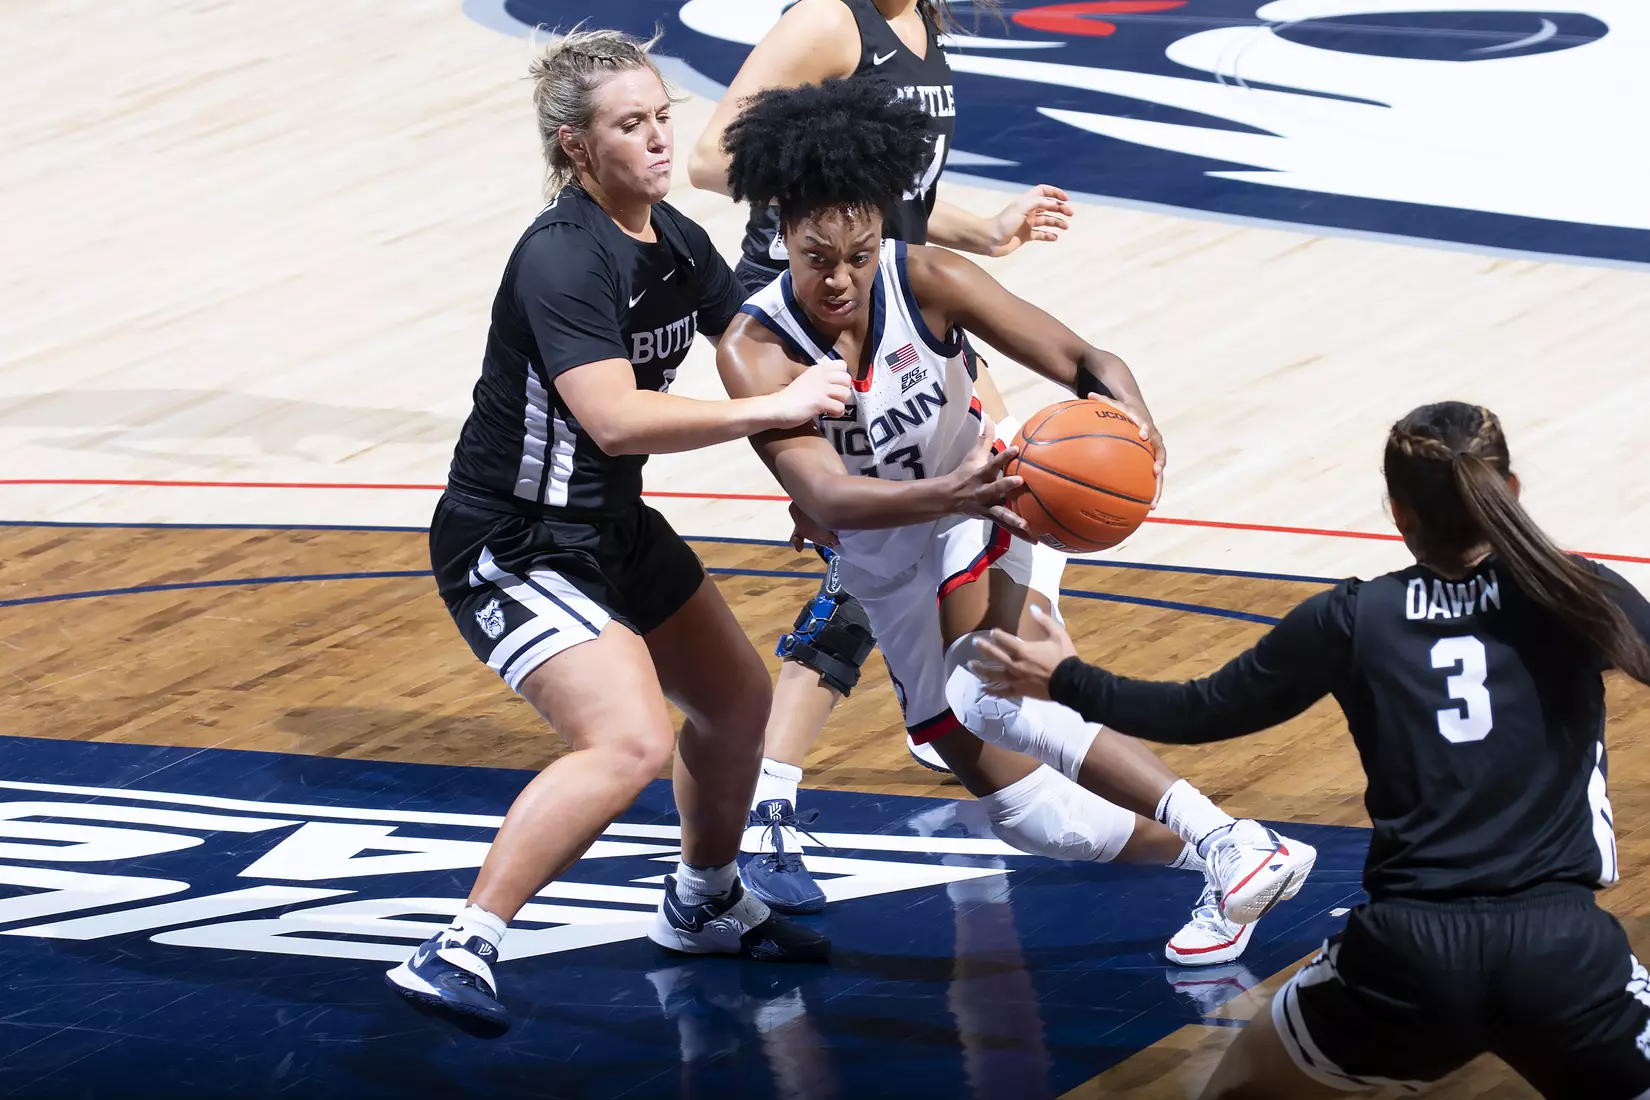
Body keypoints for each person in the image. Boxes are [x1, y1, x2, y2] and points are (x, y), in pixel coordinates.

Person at [715, 78, 1319, 964]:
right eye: (816, 257)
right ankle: (1238, 855)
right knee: (1035, 820)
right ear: (781, 232)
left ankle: (1231, 846)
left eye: (858, 248)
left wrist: (1136, 424)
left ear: (881, 224)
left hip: (1001, 499)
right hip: (907, 542)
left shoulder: (928, 278)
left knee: (987, 690)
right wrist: (951, 493)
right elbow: (833, 499)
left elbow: (1084, 358)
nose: (841, 277)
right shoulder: (753, 350)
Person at [972, 401, 1650, 1099]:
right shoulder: (1580, 592)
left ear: (1397, 512)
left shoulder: (1355, 618)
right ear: (1508, 491)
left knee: (1237, 1085)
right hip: (1561, 951)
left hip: (1406, 956)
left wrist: (1066, 678)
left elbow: (1200, 710)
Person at [384, 28, 847, 1039]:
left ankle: (705, 898)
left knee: (737, 702)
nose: (656, 139)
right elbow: (615, 417)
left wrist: (807, 476)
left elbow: (749, 356)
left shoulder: (673, 238)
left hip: (612, 525)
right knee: (630, 738)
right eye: (628, 125)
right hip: (511, 537)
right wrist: (771, 415)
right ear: (574, 147)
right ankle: (461, 940)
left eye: (661, 118)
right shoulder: (562, 254)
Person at [687, 0, 1081, 916]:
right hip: (812, 317)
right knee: (872, 552)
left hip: (893, 300)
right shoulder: (831, 19)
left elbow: (880, 186)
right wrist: (823, 237)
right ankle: (772, 803)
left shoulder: (920, 25)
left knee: (1025, 480)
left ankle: (969, 688)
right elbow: (713, 157)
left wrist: (982, 228)